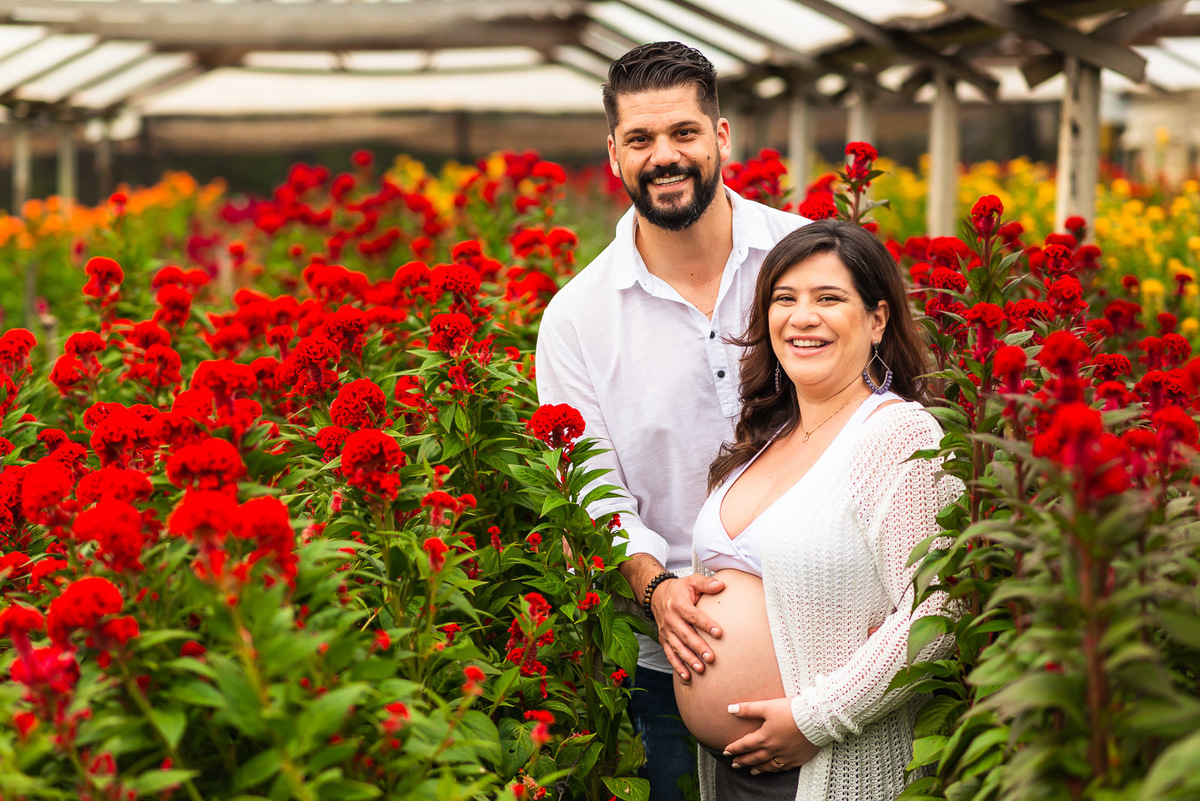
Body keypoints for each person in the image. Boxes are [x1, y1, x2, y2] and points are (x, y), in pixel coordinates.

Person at [535, 41, 809, 799]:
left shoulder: (804, 260)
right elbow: (590, 492)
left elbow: (879, 425)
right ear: (613, 155)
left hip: (830, 635)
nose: (664, 156)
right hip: (677, 666)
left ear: (721, 137)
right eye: (641, 139)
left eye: (684, 132)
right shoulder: (578, 318)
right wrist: (655, 588)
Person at [669, 219, 962, 800]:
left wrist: (816, 719)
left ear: (877, 320)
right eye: (785, 299)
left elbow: (941, 609)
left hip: (830, 766)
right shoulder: (766, 438)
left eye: (828, 298)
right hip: (732, 774)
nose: (802, 317)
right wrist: (681, 590)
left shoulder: (900, 436)